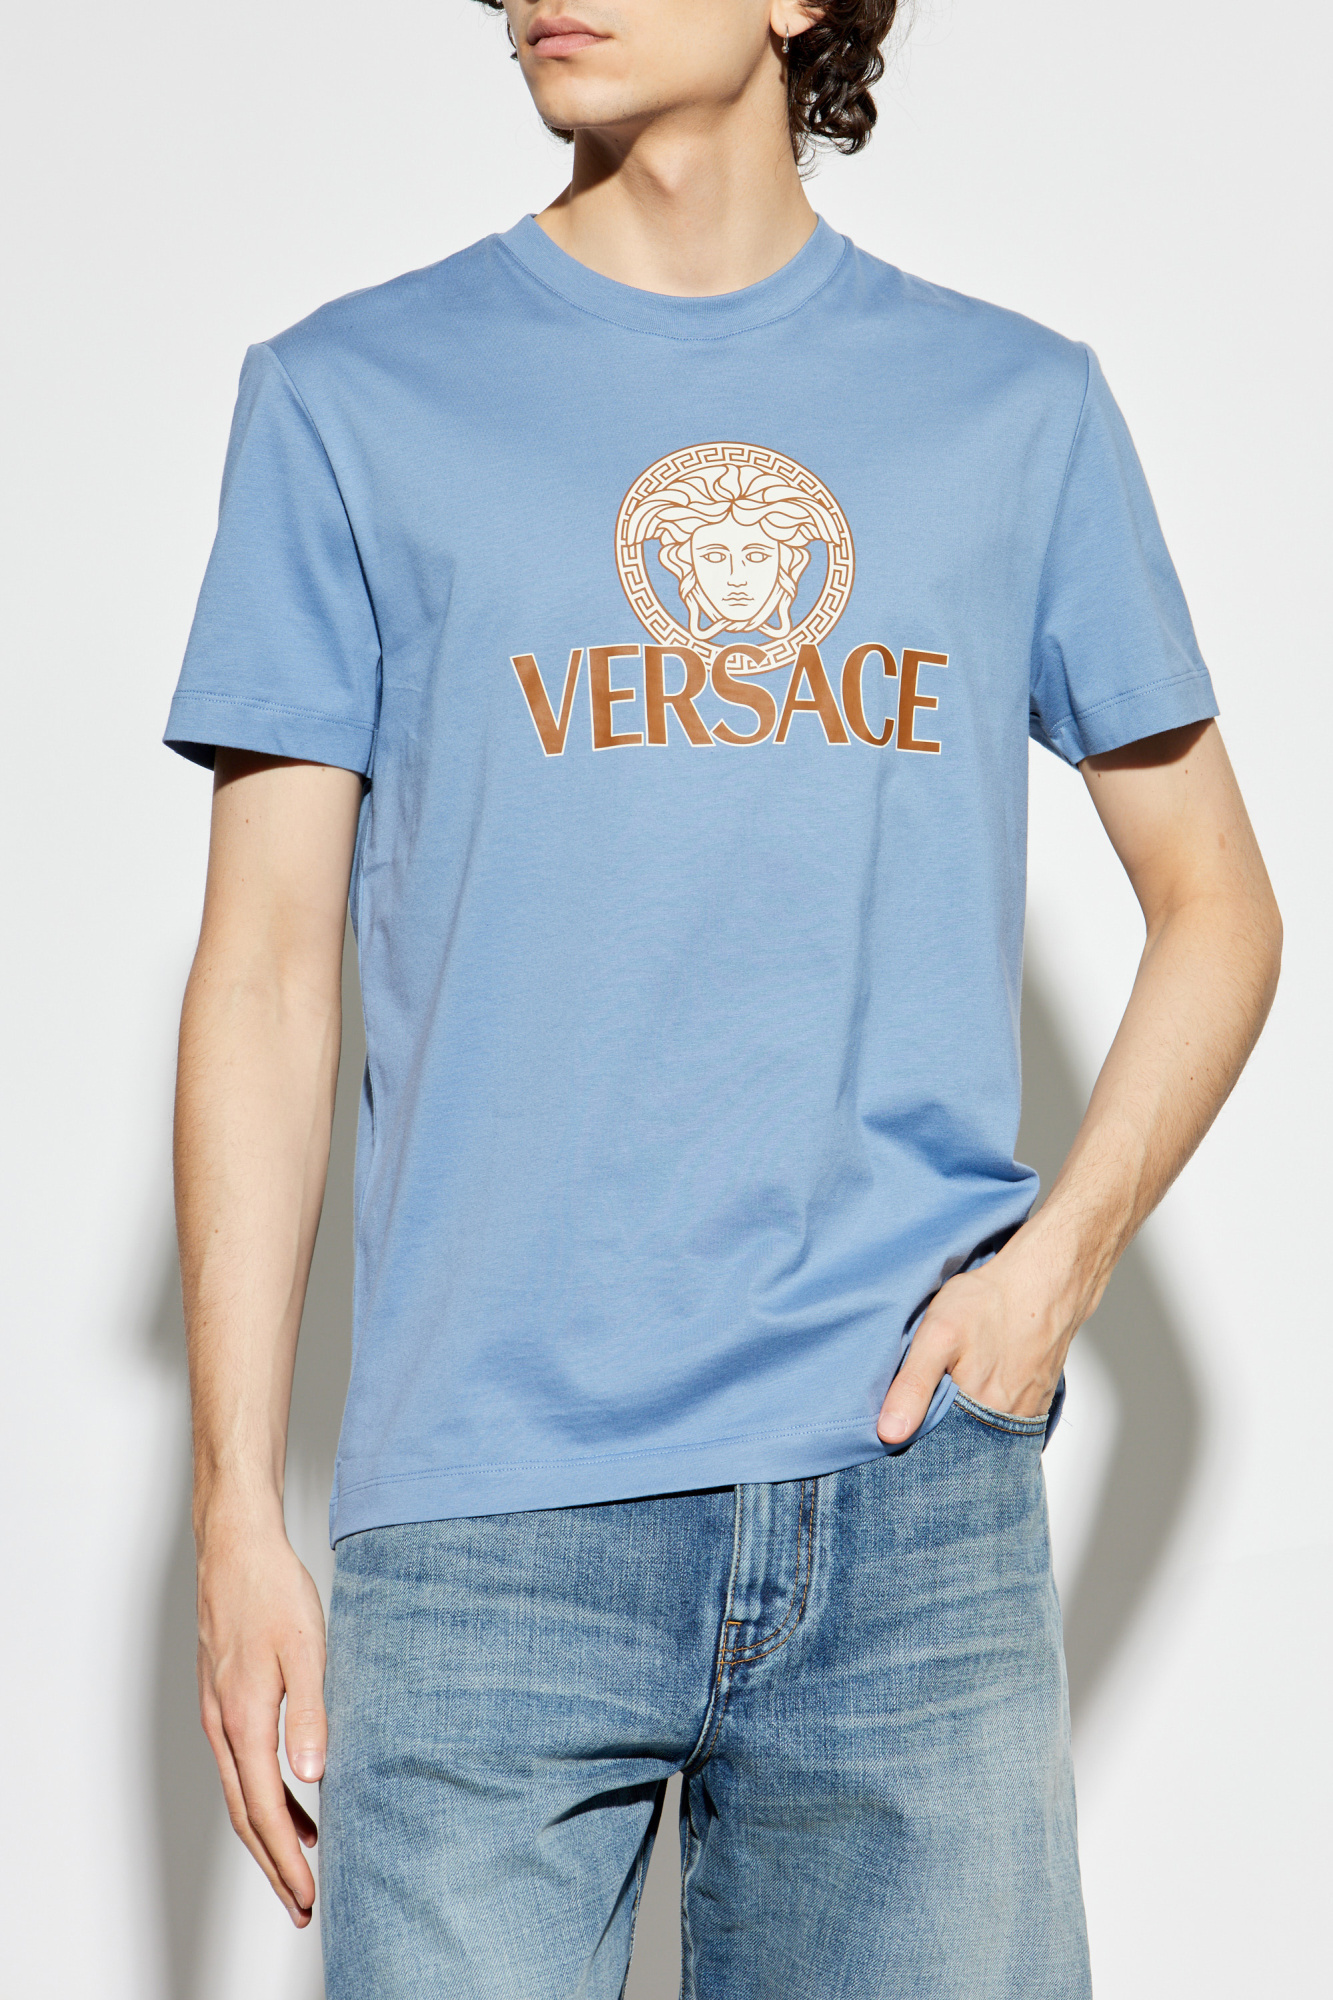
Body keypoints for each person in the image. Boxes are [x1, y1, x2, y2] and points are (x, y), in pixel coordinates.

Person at [165, 3, 1282, 1994]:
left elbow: (1217, 902)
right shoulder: (350, 397)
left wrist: (1047, 1282)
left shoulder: (1010, 409)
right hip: (487, 1525)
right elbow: (260, 970)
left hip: (901, 1506)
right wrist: (236, 1507)